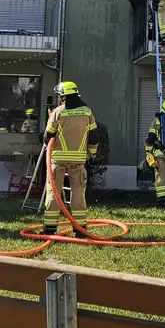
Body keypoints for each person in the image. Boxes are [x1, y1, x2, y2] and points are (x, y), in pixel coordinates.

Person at [40, 80, 100, 235]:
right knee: (78, 192)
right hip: (78, 161)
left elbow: (48, 136)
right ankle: (80, 229)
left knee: (54, 191)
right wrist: (92, 153)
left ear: (64, 96)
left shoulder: (58, 112)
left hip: (57, 160)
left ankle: (49, 228)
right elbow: (94, 137)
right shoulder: (87, 112)